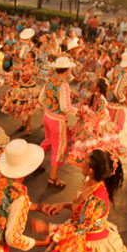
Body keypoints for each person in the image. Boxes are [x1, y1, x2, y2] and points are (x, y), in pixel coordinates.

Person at [67, 81, 127, 167]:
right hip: (91, 123)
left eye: (93, 84)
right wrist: (70, 107)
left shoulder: (101, 100)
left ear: (98, 89)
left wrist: (85, 112)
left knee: (96, 146)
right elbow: (82, 104)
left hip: (97, 125)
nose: (91, 85)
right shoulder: (93, 96)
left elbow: (97, 115)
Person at [39, 56, 78, 189]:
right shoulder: (64, 85)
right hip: (57, 120)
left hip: (47, 116)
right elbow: (65, 107)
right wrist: (77, 112)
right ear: (67, 70)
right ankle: (53, 178)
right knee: (59, 147)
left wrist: (49, 107)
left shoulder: (49, 80)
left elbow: (41, 98)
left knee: (48, 140)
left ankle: (37, 162)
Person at [1, 50, 39, 135]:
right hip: (22, 88)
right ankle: (23, 123)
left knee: (29, 108)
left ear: (32, 59)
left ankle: (28, 125)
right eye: (26, 56)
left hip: (30, 90)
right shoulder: (23, 65)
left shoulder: (34, 68)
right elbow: (19, 75)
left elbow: (28, 74)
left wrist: (18, 68)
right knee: (22, 107)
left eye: (28, 57)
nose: (26, 58)